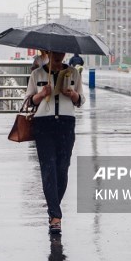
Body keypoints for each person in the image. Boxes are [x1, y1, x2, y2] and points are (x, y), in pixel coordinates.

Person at [26, 51, 85, 235]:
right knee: (48, 168)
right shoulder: (37, 74)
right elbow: (29, 101)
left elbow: (80, 100)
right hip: (43, 124)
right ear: (49, 53)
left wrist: (74, 95)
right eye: (55, 52)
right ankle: (55, 217)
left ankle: (53, 209)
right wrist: (42, 93)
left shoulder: (73, 73)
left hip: (66, 124)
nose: (58, 55)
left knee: (62, 168)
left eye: (61, 52)